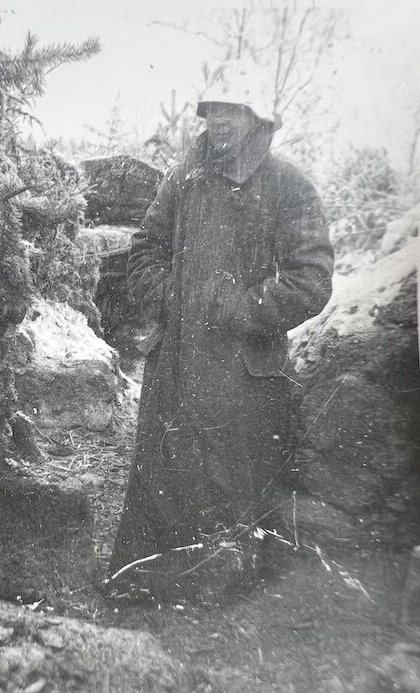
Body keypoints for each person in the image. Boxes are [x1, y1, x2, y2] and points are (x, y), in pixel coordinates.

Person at [108, 62, 334, 585]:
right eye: (211, 111)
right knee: (163, 479)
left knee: (232, 484)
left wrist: (241, 307)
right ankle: (150, 581)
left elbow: (312, 279)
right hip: (177, 360)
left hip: (243, 373)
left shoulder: (288, 184)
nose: (220, 122)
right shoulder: (182, 179)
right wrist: (169, 296)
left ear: (256, 118)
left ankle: (221, 589)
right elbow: (144, 247)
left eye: (232, 111)